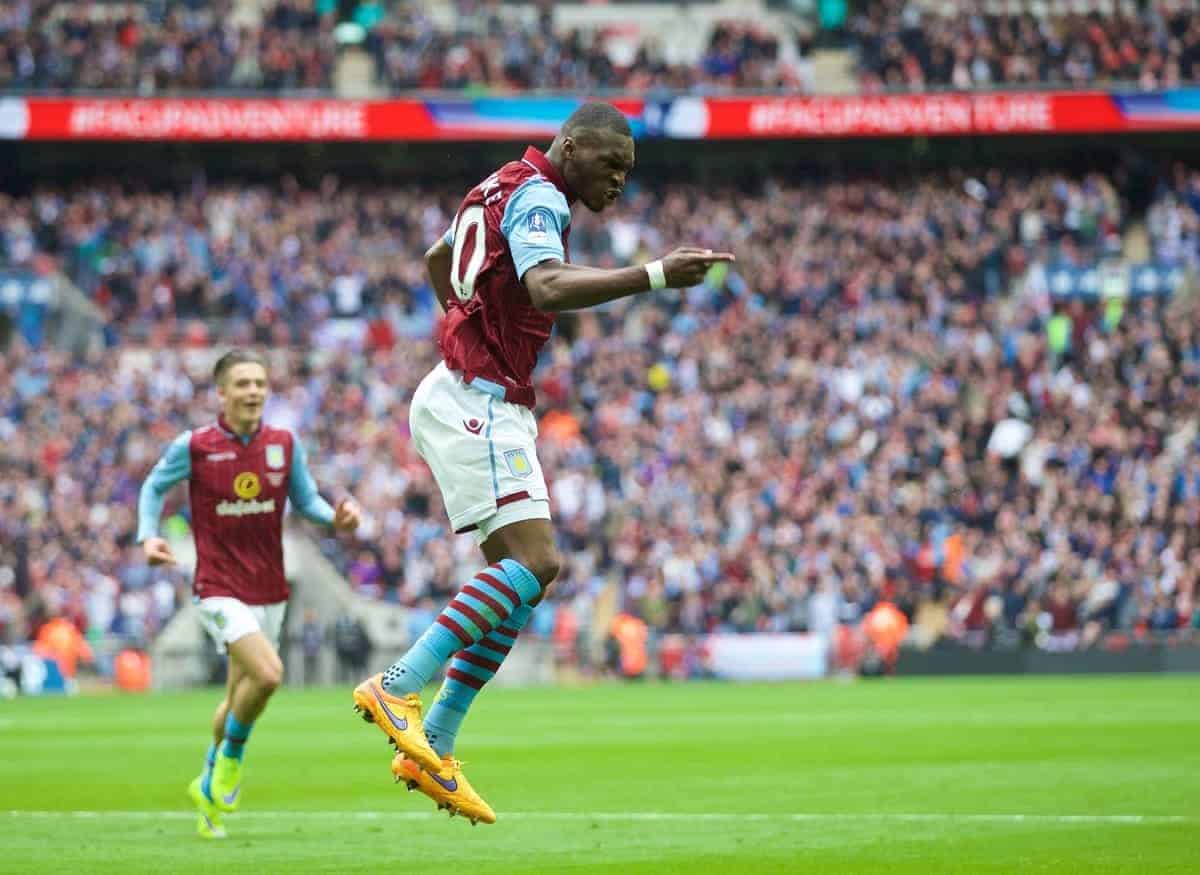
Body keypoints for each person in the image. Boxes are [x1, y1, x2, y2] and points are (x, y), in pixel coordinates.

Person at [352, 102, 733, 824]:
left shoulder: (501, 184)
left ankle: (431, 742)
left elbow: (440, 260)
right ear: (572, 145)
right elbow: (546, 286)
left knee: (523, 580)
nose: (619, 180)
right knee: (537, 564)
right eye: (610, 164)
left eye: (628, 171)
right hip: (478, 397)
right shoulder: (539, 195)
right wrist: (652, 274)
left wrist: (467, 328)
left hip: (471, 388)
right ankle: (397, 687)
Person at [138, 349, 361, 839]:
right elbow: (154, 487)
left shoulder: (284, 442)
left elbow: (306, 501)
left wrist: (336, 518)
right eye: (242, 383)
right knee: (269, 674)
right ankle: (231, 763)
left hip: (270, 588)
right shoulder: (195, 446)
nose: (254, 391)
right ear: (221, 392)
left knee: (240, 694)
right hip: (217, 586)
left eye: (260, 382)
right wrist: (147, 535)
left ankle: (206, 791)